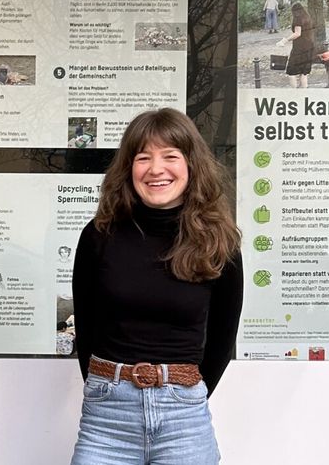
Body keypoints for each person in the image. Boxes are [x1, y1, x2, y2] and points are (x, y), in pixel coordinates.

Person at [70, 108, 242, 465]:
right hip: (107, 419)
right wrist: (108, 385)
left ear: (191, 164)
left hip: (184, 420)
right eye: (143, 157)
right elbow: (86, 328)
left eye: (170, 156)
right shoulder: (99, 235)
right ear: (128, 168)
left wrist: (181, 390)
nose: (156, 169)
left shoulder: (218, 242)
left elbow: (222, 341)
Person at [277, 2, 314, 88]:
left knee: (291, 71)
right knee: (304, 72)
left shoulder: (297, 19)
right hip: (309, 46)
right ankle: (304, 92)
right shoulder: (308, 18)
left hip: (299, 48)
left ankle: (294, 92)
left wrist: (285, 40)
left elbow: (297, 33)